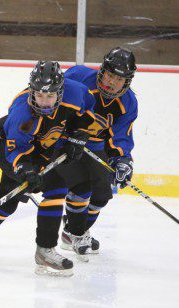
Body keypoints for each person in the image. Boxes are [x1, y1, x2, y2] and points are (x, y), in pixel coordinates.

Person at [0, 61, 96, 276]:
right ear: (32, 90)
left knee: (56, 190)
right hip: (13, 151)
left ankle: (45, 250)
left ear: (61, 92)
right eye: (39, 96)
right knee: (8, 201)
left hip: (46, 150)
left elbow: (87, 111)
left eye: (50, 96)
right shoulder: (22, 112)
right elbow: (16, 150)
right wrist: (26, 170)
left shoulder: (76, 93)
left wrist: (79, 134)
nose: (44, 102)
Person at [59, 47, 138, 254]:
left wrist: (122, 160)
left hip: (95, 147)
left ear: (127, 81)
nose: (112, 82)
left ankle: (73, 232)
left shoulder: (128, 102)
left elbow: (121, 135)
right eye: (110, 76)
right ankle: (77, 231)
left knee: (102, 194)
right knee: (80, 186)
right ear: (102, 71)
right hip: (66, 143)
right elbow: (53, 104)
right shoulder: (78, 78)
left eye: (119, 80)